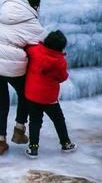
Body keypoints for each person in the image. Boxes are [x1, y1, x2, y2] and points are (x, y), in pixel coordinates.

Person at [0, 0, 45, 155]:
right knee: (25, 95)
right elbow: (44, 42)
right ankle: (19, 131)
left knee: (1, 104)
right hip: (13, 66)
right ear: (35, 7)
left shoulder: (5, 13)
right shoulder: (32, 22)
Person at [25, 30, 77, 158]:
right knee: (58, 120)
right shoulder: (60, 61)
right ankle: (66, 143)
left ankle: (33, 148)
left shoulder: (35, 51)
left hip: (32, 95)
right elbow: (63, 77)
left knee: (35, 122)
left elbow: (27, 48)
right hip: (49, 98)